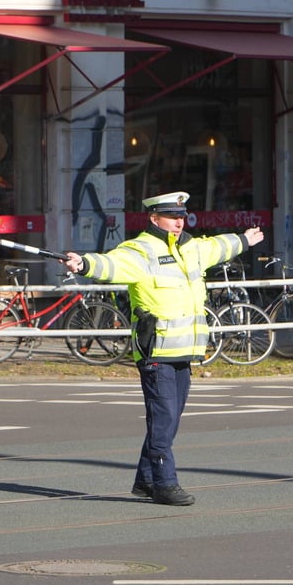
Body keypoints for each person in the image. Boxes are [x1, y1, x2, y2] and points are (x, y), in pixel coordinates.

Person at [62, 191, 264, 506]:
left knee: (169, 418)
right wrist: (84, 263)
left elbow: (218, 247)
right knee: (164, 417)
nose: (178, 223)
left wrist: (245, 239)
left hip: (184, 352)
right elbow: (110, 264)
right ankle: (165, 483)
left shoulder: (191, 249)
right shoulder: (140, 250)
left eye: (181, 217)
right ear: (154, 218)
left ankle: (145, 481)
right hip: (156, 351)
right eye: (172, 217)